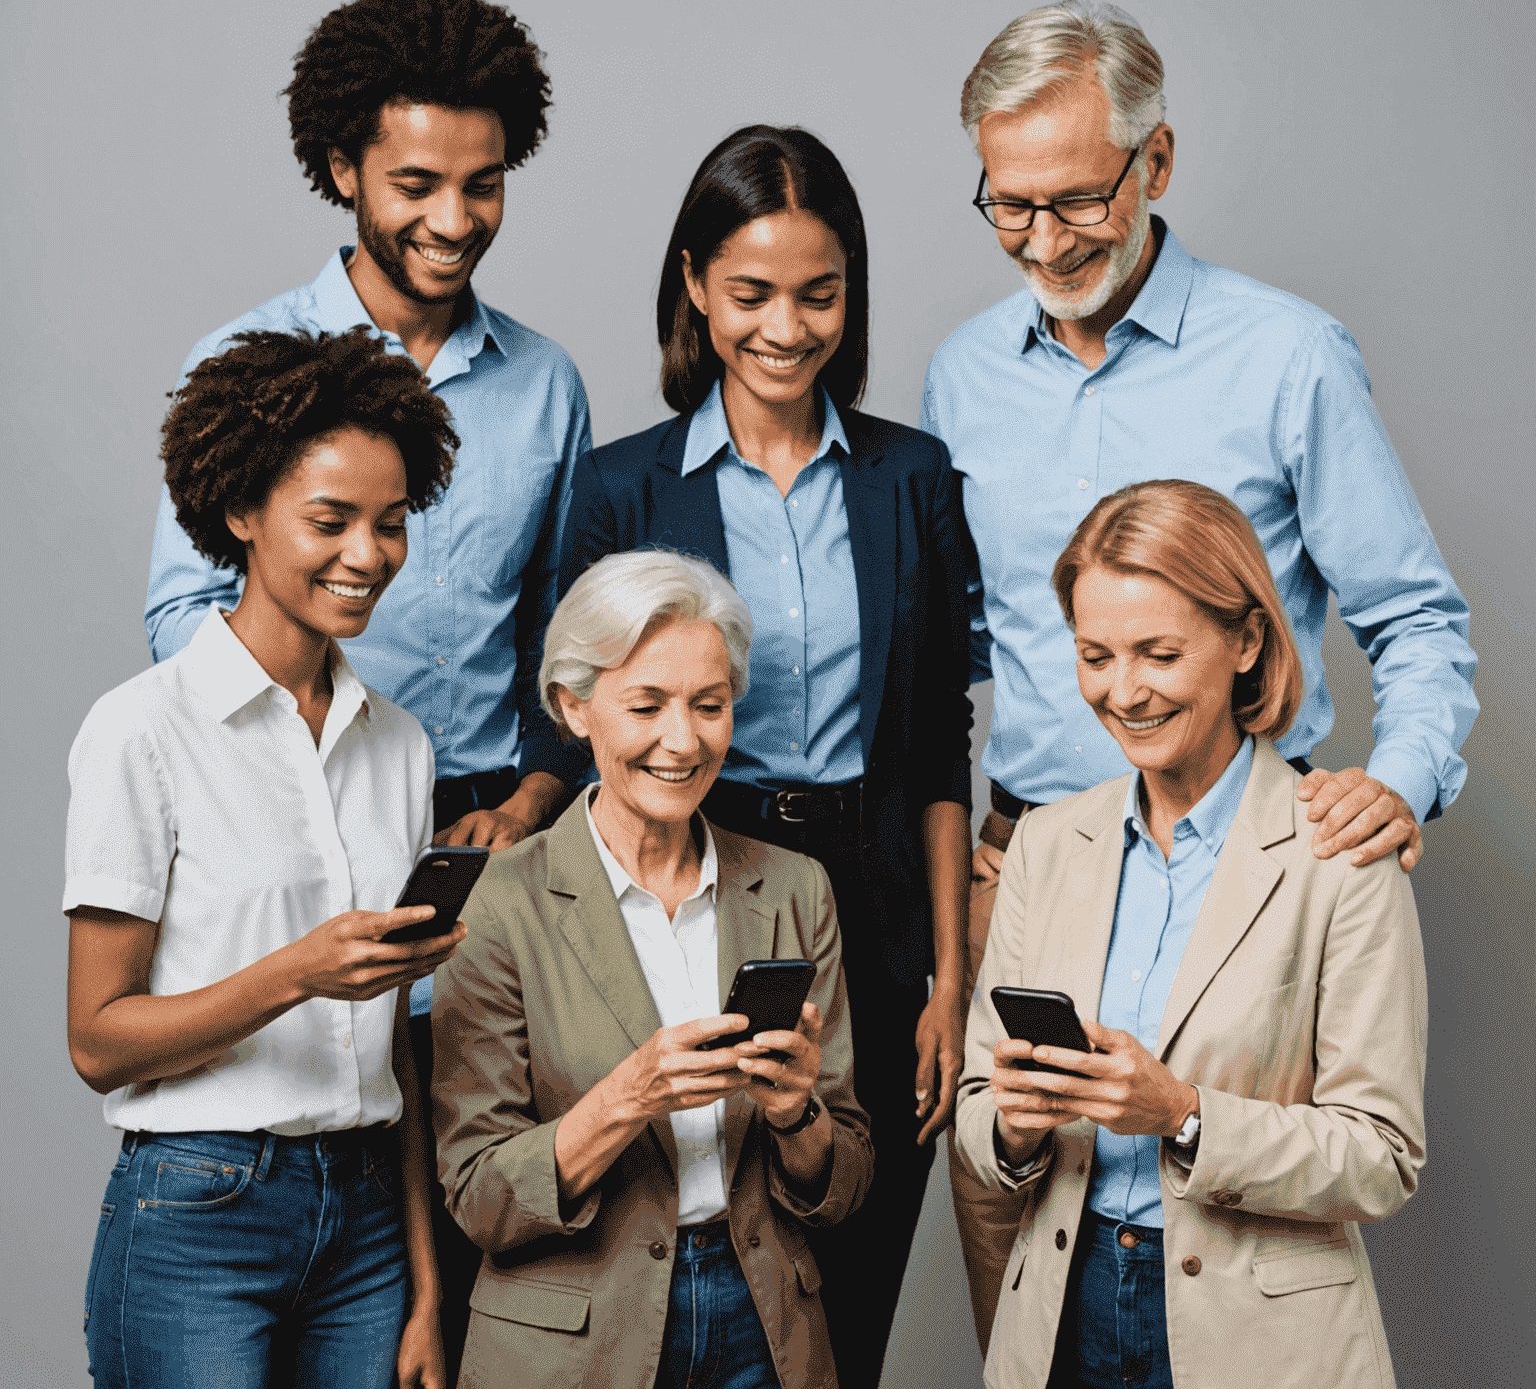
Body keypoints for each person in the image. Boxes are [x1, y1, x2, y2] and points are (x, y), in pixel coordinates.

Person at [919, 0, 1473, 1343]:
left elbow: (1420, 623)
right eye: (1007, 209)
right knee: (1029, 1306)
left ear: (1155, 162)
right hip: (1030, 881)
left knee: (1226, 1292)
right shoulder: (963, 376)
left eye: (1075, 201)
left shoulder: (1288, 355)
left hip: (1245, 886)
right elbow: (952, 662)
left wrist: (1392, 788)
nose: (1043, 243)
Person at [140, 0, 593, 1377]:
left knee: (474, 1261)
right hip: (299, 842)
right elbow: (178, 618)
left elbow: (561, 645)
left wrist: (525, 796)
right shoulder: (246, 363)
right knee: (310, 1205)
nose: (451, 220)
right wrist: (320, 771)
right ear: (341, 170)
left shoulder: (548, 389)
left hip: (489, 861)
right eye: (413, 183)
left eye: (483, 184)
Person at [560, 125, 974, 1388]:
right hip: (699, 880)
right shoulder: (622, 487)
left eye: (819, 294)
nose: (787, 328)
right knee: (705, 1256)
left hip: (881, 891)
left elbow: (941, 748)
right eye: (750, 294)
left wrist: (952, 973)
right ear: (694, 284)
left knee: (851, 1270)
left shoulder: (912, 477)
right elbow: (588, 724)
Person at [955, 479, 1427, 1389]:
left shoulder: (1341, 851)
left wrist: (1183, 1113)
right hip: (1061, 1317)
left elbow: (1381, 1154)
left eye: (1158, 654)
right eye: (1096, 656)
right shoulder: (1046, 846)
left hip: (1259, 1337)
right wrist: (1012, 1127)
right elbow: (978, 1107)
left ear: (1246, 641)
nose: (1123, 691)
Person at [67, 329, 467, 1388]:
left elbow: (401, 1050)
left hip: (370, 1217)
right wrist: (299, 972)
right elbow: (100, 1041)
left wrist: (427, 1288)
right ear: (241, 512)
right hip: (199, 1211)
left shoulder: (402, 745)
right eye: (330, 521)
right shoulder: (141, 731)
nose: (369, 555)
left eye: (391, 525)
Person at [430, 550, 873, 1389]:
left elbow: (845, 1181)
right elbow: (480, 1195)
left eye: (710, 706)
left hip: (765, 1324)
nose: (684, 740)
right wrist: (629, 1095)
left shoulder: (792, 889)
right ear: (574, 706)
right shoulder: (500, 903)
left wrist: (794, 1117)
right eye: (647, 705)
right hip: (570, 1343)